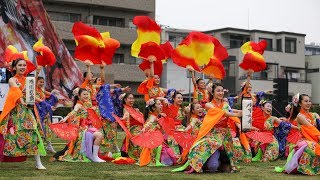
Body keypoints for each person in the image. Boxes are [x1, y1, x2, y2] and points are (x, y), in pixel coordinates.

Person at [174, 83, 242, 173]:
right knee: (200, 146)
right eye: (218, 91)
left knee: (233, 149)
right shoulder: (208, 105)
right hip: (213, 132)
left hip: (225, 133)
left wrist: (242, 114)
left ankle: (226, 165)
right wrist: (236, 114)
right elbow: (221, 112)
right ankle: (201, 165)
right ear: (212, 93)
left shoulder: (225, 104)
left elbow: (230, 112)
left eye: (222, 91)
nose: (221, 93)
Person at [0, 58, 46, 169]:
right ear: (15, 67)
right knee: (11, 135)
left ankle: (38, 163)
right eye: (20, 65)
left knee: (34, 133)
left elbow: (31, 95)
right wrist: (22, 100)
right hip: (16, 111)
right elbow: (16, 91)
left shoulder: (29, 80)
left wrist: (42, 101)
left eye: (24, 65)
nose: (22, 67)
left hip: (28, 111)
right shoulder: (12, 79)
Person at [57, 88, 105, 162]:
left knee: (100, 134)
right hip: (82, 130)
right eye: (84, 94)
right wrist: (65, 118)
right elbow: (73, 111)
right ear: (79, 96)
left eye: (87, 94)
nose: (86, 96)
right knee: (99, 135)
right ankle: (94, 157)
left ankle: (95, 155)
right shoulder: (78, 105)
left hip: (89, 127)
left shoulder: (88, 104)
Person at [279, 94, 320, 175]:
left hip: (314, 138)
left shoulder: (314, 115)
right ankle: (306, 168)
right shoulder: (300, 116)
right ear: (300, 103)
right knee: (311, 146)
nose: (308, 103)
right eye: (306, 101)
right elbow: (312, 128)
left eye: (309, 101)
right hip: (303, 140)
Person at [34, 66, 58, 153]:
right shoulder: (33, 89)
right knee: (38, 129)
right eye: (40, 82)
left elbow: (51, 95)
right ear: (36, 82)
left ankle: (49, 145)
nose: (41, 83)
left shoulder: (41, 89)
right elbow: (39, 100)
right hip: (37, 112)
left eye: (43, 82)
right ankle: (37, 147)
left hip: (45, 111)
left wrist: (54, 94)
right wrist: (37, 72)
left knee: (48, 129)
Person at [138, 98, 165, 166]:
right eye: (159, 104)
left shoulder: (155, 115)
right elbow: (149, 123)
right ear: (153, 108)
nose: (161, 105)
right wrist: (144, 129)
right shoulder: (152, 116)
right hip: (152, 138)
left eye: (161, 104)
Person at [120, 93, 144, 160]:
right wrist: (124, 117)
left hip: (139, 129)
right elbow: (126, 114)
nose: (132, 100)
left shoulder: (134, 109)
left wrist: (138, 112)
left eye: (132, 98)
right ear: (125, 100)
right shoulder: (126, 108)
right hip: (134, 131)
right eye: (130, 98)